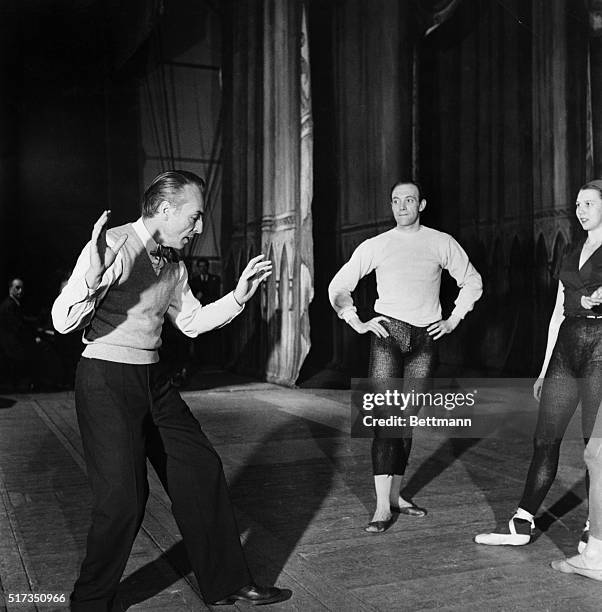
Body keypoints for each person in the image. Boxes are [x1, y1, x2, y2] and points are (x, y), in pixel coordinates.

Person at [52, 170, 291, 609]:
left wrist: (238, 296)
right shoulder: (116, 247)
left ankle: (227, 581)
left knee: (199, 469)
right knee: (124, 501)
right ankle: (89, 602)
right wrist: (92, 271)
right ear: (165, 210)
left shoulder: (174, 264)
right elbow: (63, 320)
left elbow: (192, 323)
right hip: (106, 379)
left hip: (153, 380)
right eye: (195, 217)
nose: (199, 229)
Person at [328, 180, 482, 533]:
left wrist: (454, 319)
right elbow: (339, 286)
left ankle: (396, 496)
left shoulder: (440, 242)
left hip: (426, 337)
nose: (401, 206)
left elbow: (472, 281)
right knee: (386, 418)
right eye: (396, 201)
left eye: (409, 200)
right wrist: (357, 321)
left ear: (422, 205)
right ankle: (382, 506)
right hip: (388, 335)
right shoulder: (377, 245)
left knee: (406, 417)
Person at [475, 180, 602, 548]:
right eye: (578, 204)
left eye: (590, 204)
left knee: (593, 448)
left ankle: (593, 530)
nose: (581, 210)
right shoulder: (571, 251)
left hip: (599, 348)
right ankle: (522, 523)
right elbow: (557, 314)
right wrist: (546, 367)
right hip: (566, 349)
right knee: (545, 439)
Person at [0, 278, 39, 390]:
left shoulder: (13, 304)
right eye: (17, 287)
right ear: (10, 288)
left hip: (13, 343)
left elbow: (22, 322)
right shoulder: (9, 305)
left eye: (22, 288)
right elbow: (18, 328)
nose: (20, 291)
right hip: (10, 346)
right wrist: (34, 337)